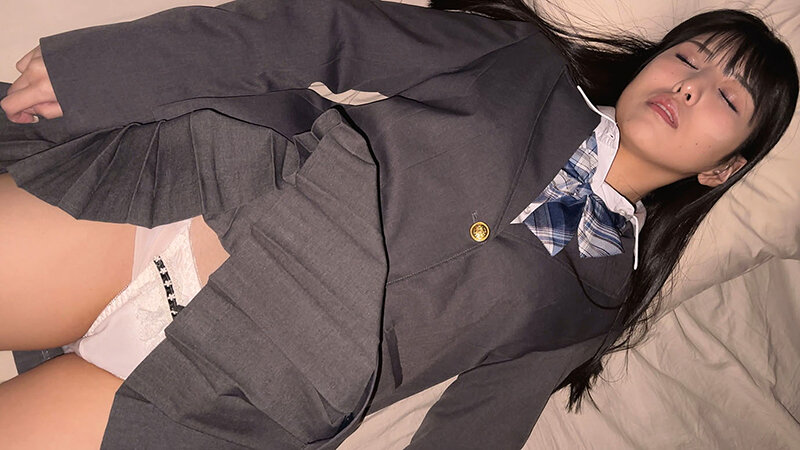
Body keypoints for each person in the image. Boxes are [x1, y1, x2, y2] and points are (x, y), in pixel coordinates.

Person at [0, 0, 797, 448]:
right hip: (192, 214)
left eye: (728, 97)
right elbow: (325, 33)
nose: (692, 86)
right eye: (689, 57)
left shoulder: (596, 302)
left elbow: (481, 426)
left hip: (240, 395)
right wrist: (106, 69)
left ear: (722, 170)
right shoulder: (521, 62)